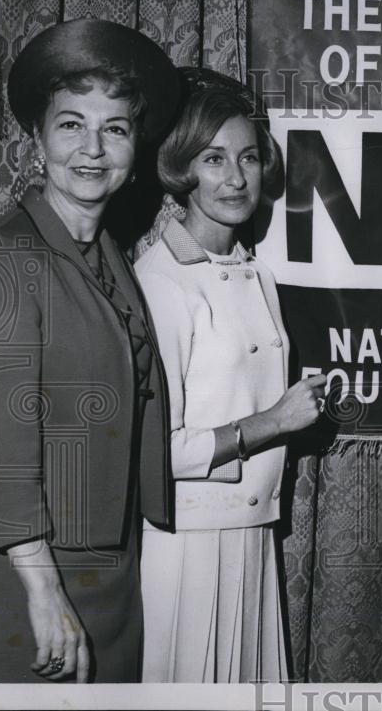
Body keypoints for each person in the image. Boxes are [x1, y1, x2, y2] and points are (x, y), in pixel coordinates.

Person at [0, 19, 180, 682]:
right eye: (71, 125)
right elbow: (2, 441)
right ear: (36, 140)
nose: (93, 149)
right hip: (38, 572)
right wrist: (42, 589)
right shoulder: (10, 255)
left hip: (111, 564)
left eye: (115, 129)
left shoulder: (110, 256)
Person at [136, 68, 327, 682]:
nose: (237, 178)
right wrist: (275, 421)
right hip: (187, 541)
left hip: (252, 529)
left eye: (247, 157)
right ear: (182, 170)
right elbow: (156, 450)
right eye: (214, 159)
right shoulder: (162, 280)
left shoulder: (256, 272)